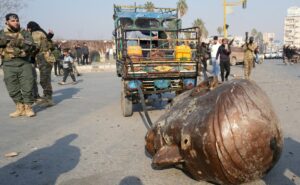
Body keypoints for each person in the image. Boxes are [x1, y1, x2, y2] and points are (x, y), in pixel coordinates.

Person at [0, 13, 36, 117]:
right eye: (13, 21)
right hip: (8, 64)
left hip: (24, 63)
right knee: (12, 87)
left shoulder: (24, 32)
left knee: (27, 86)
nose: (16, 22)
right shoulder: (2, 33)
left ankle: (28, 107)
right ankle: (20, 108)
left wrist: (11, 41)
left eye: (17, 20)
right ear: (6, 22)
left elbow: (31, 46)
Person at [27, 21, 55, 107]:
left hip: (43, 58)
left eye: (28, 28)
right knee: (45, 79)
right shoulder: (42, 33)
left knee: (44, 80)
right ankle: (47, 97)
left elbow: (35, 47)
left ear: (30, 28)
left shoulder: (36, 33)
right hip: (47, 58)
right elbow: (51, 46)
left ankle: (48, 99)